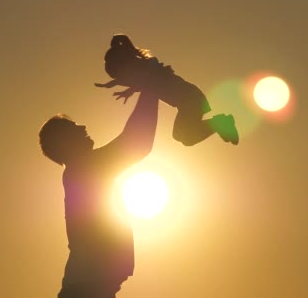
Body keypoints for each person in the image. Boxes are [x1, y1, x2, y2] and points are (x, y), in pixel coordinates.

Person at [38, 89, 159, 298]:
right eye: (73, 128)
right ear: (64, 142)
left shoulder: (81, 170)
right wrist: (152, 85)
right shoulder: (83, 169)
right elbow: (136, 142)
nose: (83, 127)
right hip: (88, 286)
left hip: (89, 284)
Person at [95, 34, 239, 146]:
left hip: (191, 99)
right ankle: (220, 124)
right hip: (189, 100)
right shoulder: (146, 71)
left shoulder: (150, 68)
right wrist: (124, 88)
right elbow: (143, 82)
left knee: (184, 136)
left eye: (120, 74)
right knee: (184, 136)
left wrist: (118, 84)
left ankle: (220, 123)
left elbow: (148, 80)